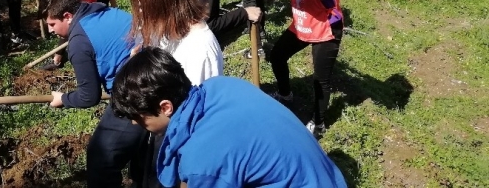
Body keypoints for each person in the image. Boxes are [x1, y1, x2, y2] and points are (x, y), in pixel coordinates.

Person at [111, 48, 348, 188]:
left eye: (139, 117)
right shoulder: (219, 86)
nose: (135, 123)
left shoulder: (202, 161)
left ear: (165, 107)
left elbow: (204, 168)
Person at [44, 0, 146, 188]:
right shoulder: (103, 11)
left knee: (101, 158)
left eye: (52, 24)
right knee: (143, 150)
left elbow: (88, 96)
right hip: (151, 73)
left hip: (135, 93)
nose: (50, 30)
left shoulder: (79, 43)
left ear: (67, 16)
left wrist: (63, 99)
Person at [263, 0, 344, 137]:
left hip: (326, 28)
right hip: (303, 23)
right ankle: (285, 93)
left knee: (320, 81)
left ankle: (318, 124)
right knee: (278, 55)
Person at [130, 0, 223, 85]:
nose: (140, 11)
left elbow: (195, 103)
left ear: (162, 2)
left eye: (143, 4)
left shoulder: (200, 51)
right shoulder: (164, 28)